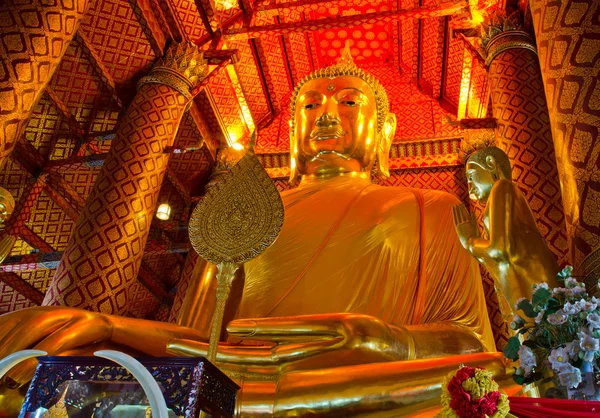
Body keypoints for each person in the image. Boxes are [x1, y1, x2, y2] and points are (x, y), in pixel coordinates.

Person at [0, 48, 510, 416]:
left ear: (386, 129)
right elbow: (205, 343)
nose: (326, 115)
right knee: (50, 370)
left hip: (376, 387)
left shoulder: (432, 207)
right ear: (291, 130)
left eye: (349, 103)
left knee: (495, 381)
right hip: (242, 386)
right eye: (309, 106)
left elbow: (469, 345)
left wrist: (380, 340)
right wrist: (110, 325)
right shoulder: (244, 214)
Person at [453, 142, 559, 314]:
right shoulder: (501, 194)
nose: (470, 189)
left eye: (471, 177)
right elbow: (499, 259)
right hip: (527, 285)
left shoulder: (502, 187)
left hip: (535, 285)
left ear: (490, 163)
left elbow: (499, 251)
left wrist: (470, 241)